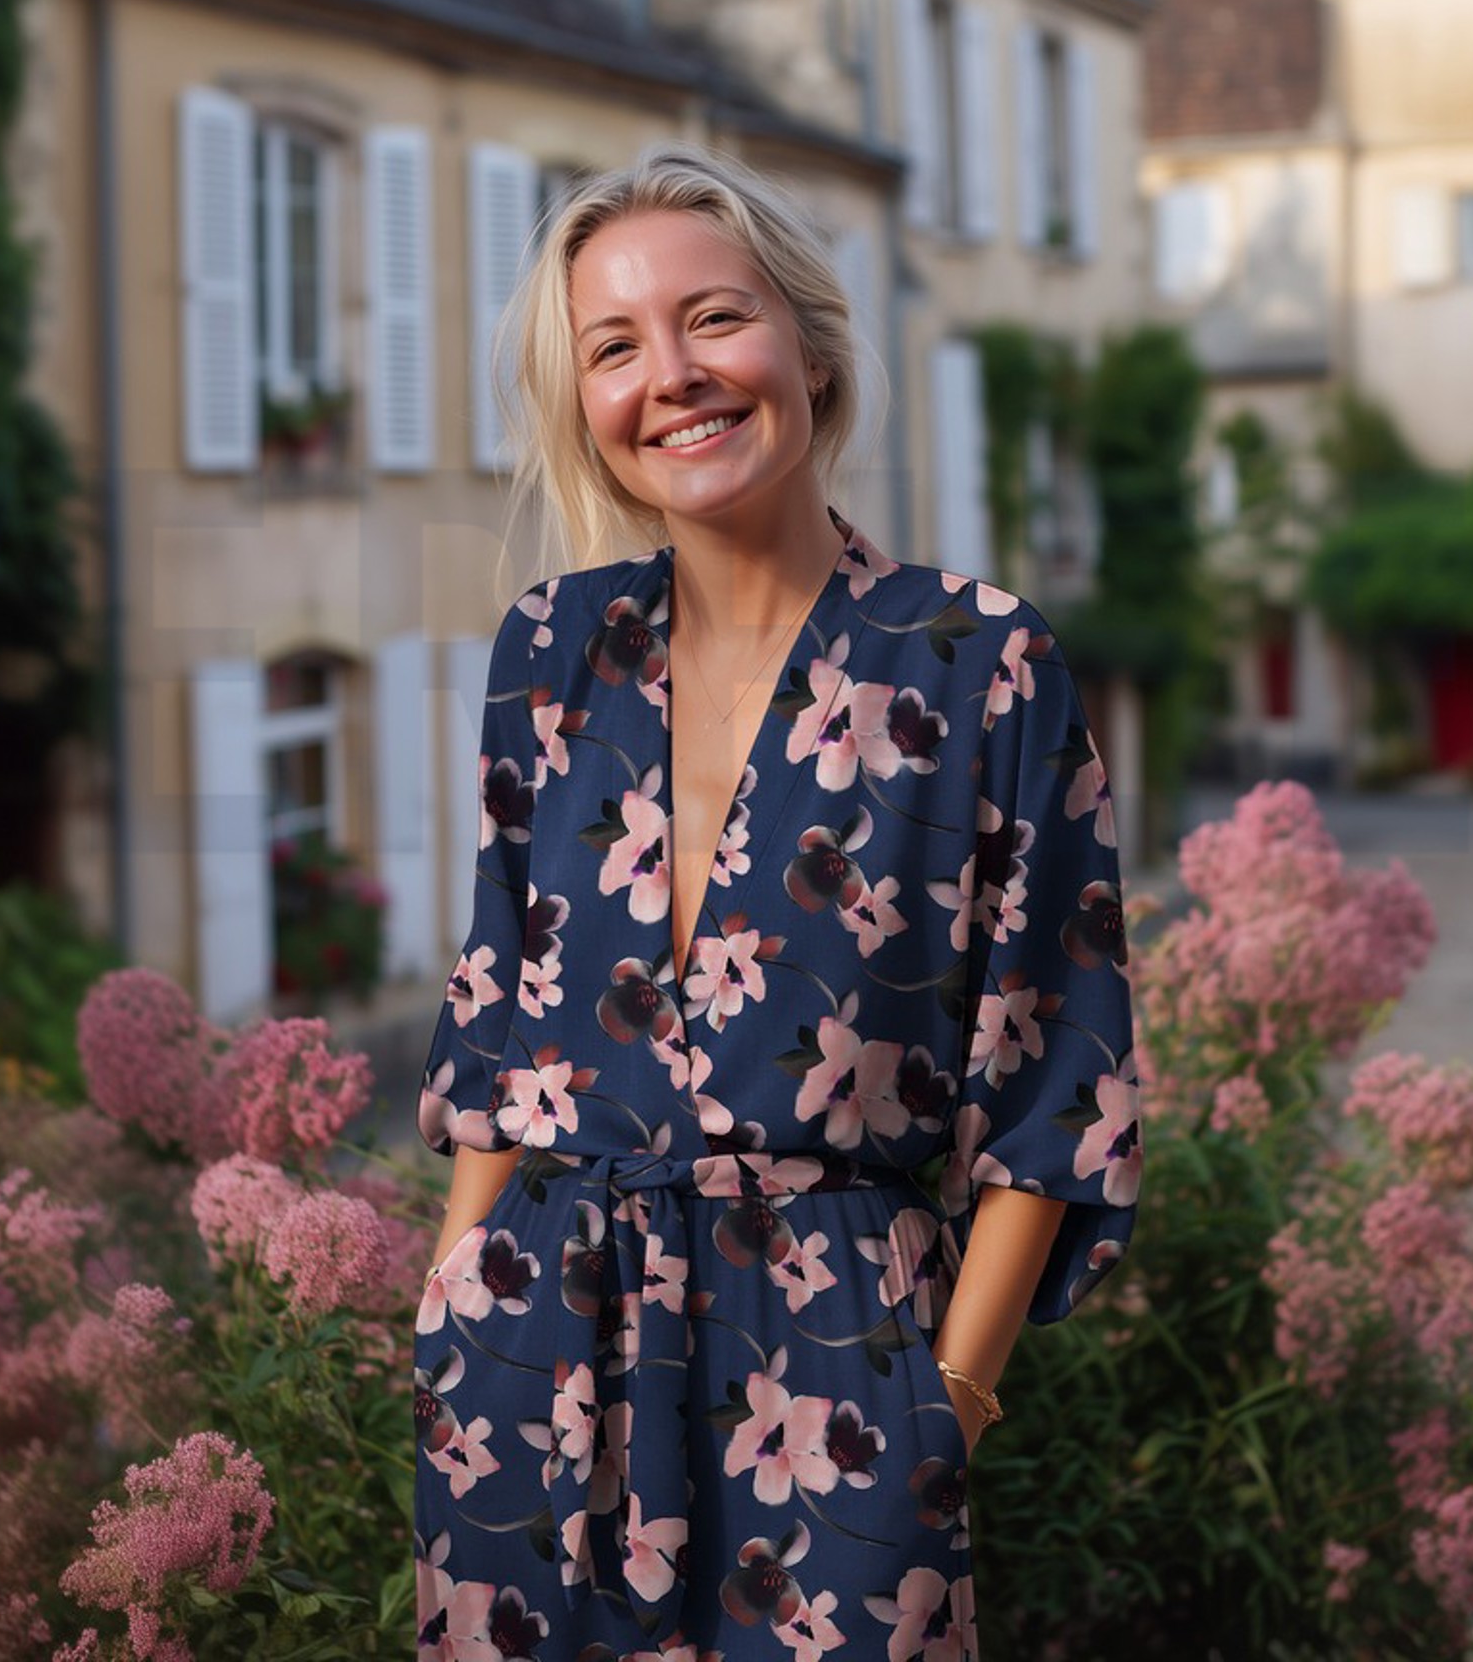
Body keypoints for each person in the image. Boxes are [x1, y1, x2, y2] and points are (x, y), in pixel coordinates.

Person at [413, 145, 1140, 1662]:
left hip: (843, 1394)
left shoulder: (975, 662)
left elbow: (1062, 1078)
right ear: (587, 413)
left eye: (712, 320)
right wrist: (450, 1321)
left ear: (809, 346)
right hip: (529, 1373)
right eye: (613, 347)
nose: (670, 375)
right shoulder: (552, 654)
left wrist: (948, 1402)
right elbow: (494, 1031)